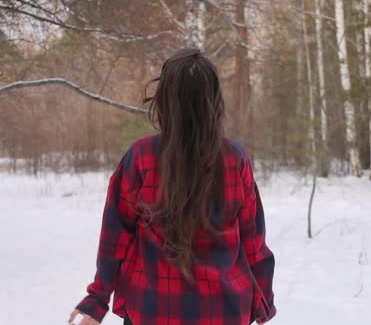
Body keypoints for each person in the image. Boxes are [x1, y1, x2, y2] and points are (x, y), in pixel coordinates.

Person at [69, 48, 276, 325]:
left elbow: (115, 239)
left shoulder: (141, 156)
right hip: (224, 310)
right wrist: (263, 302)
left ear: (165, 99)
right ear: (213, 100)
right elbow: (254, 241)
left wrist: (97, 300)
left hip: (152, 309)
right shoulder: (235, 157)